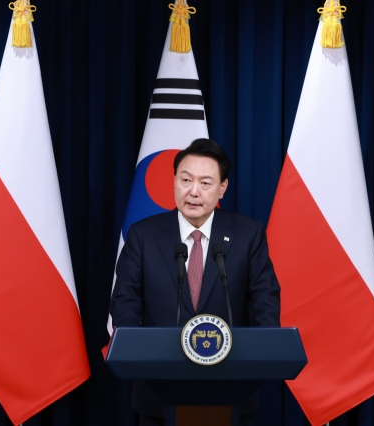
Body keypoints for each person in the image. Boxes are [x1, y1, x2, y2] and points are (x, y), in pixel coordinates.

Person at [110, 138, 281, 426]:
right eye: (185, 180)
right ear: (174, 181)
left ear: (222, 188)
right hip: (158, 390)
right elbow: (124, 302)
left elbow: (266, 300)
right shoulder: (143, 236)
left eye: (205, 183)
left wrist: (262, 354)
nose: (193, 192)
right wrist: (140, 354)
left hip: (232, 387)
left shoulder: (248, 234)